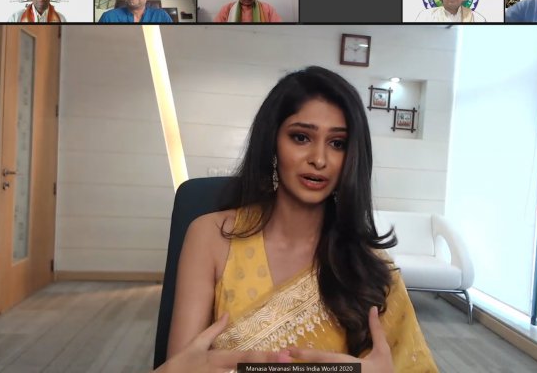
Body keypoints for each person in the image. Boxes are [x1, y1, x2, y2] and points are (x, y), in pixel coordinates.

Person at [157, 67, 438, 372]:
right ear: (273, 143)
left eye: (337, 143)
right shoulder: (211, 236)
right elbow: (182, 367)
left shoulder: (369, 267)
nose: (319, 159)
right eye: (301, 137)